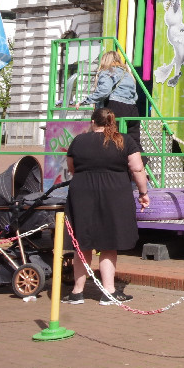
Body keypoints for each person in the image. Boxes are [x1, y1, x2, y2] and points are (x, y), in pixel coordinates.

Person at [62, 107, 150, 304]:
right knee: (109, 243)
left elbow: (71, 167)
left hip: (82, 193)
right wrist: (143, 193)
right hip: (115, 194)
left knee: (82, 243)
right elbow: (137, 168)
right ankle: (109, 292)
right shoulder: (125, 140)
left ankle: (77, 292)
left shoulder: (79, 140)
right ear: (112, 122)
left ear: (93, 122)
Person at [79, 51, 139, 137]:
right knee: (132, 138)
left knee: (111, 137)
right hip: (132, 108)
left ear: (105, 60)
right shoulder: (128, 74)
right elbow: (134, 95)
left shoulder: (108, 71)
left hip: (115, 107)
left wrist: (85, 101)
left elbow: (104, 91)